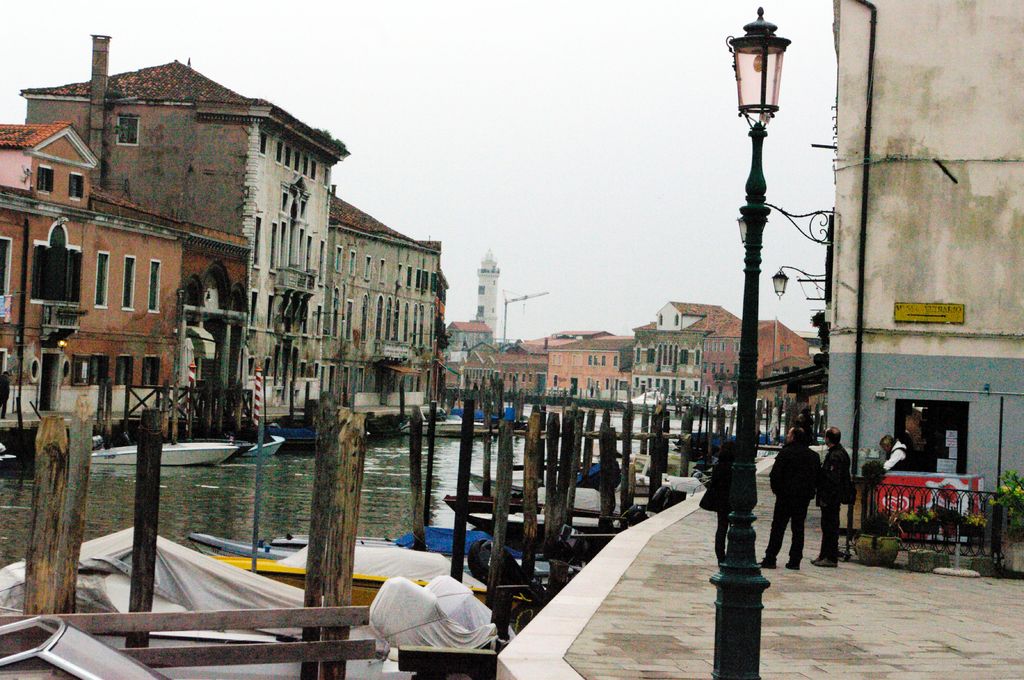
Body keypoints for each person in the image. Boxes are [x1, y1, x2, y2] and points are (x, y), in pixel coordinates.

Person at [761, 427, 820, 570]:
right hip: (803, 498)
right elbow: (817, 477)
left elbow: (775, 474)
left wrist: (777, 491)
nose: (787, 436)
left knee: (778, 527)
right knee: (798, 528)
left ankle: (771, 557)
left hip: (785, 496)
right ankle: (795, 560)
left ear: (793, 437)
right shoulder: (813, 456)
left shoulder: (785, 453)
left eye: (788, 434)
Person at [812, 427, 853, 568]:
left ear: (828, 439)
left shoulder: (836, 456)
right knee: (827, 526)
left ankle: (830, 557)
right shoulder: (838, 453)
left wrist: (826, 495)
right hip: (832, 496)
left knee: (830, 527)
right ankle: (824, 554)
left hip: (831, 497)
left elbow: (832, 479)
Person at [699, 441, 735, 563]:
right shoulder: (735, 467)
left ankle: (720, 556)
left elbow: (713, 483)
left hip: (721, 502)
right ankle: (732, 553)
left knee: (721, 528)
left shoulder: (718, 466)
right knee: (734, 527)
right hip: (733, 501)